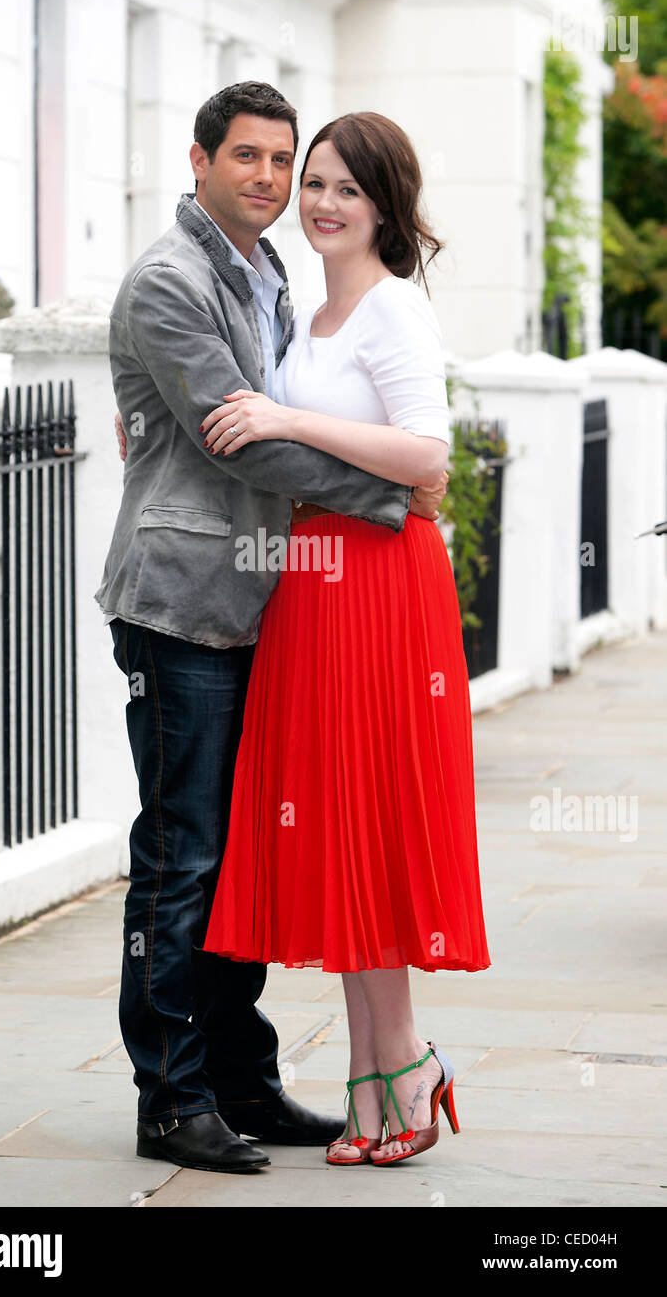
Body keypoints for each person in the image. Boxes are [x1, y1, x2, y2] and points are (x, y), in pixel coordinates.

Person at [96, 81, 447, 1176]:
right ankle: (173, 1096)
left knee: (236, 850)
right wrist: (388, 498)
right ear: (196, 161)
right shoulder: (169, 280)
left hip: (268, 603)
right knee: (182, 856)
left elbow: (289, 411)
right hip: (184, 605)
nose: (272, 180)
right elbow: (233, 439)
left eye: (283, 162)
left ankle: (241, 1078)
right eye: (247, 156)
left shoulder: (269, 276)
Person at [201, 111, 491, 1166]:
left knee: (375, 814)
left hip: (381, 582)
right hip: (312, 588)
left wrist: (287, 422)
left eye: (344, 189)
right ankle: (378, 1075)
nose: (319, 201)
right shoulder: (303, 312)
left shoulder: (393, 307)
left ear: (383, 207)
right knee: (339, 827)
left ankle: (404, 1059)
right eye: (312, 181)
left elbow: (426, 454)